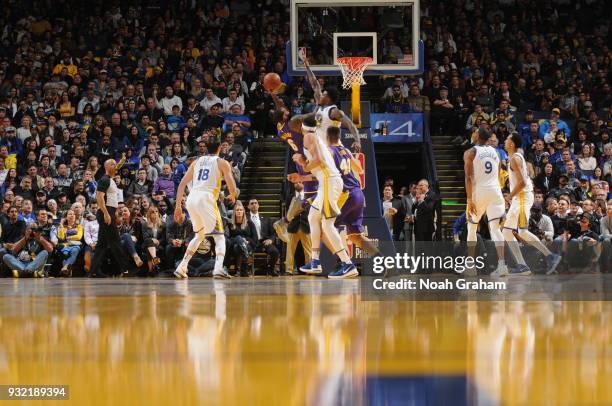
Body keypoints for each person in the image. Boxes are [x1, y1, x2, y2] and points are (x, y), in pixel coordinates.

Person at [292, 116, 357, 278]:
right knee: (313, 217)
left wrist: (302, 163)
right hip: (327, 182)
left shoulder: (309, 136)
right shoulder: (316, 137)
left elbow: (318, 161)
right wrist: (304, 172)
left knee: (327, 225)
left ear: (301, 126)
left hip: (329, 182)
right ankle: (315, 261)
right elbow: (320, 164)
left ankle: (347, 264)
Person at [173, 137, 238, 279]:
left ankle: (182, 266)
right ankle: (218, 268)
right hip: (206, 198)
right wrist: (233, 195)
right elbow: (232, 185)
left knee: (199, 235)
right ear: (219, 147)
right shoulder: (222, 162)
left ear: (206, 148)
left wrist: (178, 206)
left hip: (192, 199)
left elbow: (182, 184)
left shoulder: (196, 162)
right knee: (220, 237)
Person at [502, 132, 562, 275]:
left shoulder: (515, 159)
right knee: (506, 231)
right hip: (520, 197)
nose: (504, 141)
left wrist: (509, 196)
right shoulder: (516, 157)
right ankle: (522, 265)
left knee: (522, 231)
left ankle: (550, 256)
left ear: (512, 144)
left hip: (522, 198)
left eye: (507, 139)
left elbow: (522, 182)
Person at [326, 126, 379, 257]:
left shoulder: (328, 152)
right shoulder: (346, 151)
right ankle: (384, 262)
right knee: (356, 237)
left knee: (326, 228)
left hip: (346, 194)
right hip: (358, 193)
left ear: (327, 138)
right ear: (339, 138)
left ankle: (344, 263)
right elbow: (360, 169)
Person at [463, 128, 508, 276]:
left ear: (477, 136)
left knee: (471, 227)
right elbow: (498, 174)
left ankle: (470, 266)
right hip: (495, 191)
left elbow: (468, 177)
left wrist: (470, 199)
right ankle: (502, 265)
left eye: (475, 131)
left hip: (479, 191)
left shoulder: (471, 152)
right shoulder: (495, 152)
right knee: (495, 229)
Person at [90, 159, 129, 277]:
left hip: (109, 211)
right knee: (115, 241)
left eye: (115, 164)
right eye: (112, 164)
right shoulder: (104, 179)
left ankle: (93, 271)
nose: (115, 166)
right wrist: (106, 213)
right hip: (105, 212)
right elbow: (99, 197)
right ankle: (125, 269)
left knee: (101, 244)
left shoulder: (110, 180)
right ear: (106, 167)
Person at [226, 201, 257, 277]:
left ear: (243, 212)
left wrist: (247, 241)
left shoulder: (249, 223)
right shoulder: (230, 224)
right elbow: (228, 238)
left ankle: (238, 270)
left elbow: (255, 238)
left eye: (241, 210)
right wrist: (240, 239)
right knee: (238, 239)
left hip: (247, 245)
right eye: (237, 210)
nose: (239, 212)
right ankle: (245, 269)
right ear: (234, 212)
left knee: (238, 247)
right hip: (233, 245)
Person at [55, 208, 84, 277]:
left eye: (73, 214)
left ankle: (64, 268)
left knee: (74, 251)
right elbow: (61, 237)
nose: (72, 215)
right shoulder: (62, 227)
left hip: (75, 245)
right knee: (65, 253)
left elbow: (79, 237)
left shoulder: (79, 226)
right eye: (70, 214)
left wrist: (67, 237)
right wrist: (61, 224)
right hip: (65, 245)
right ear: (66, 217)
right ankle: (67, 271)